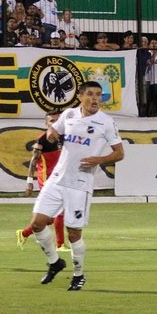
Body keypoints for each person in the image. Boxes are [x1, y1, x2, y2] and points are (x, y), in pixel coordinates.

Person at [25, 82, 124, 291]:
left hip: (80, 183)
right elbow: (54, 129)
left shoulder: (106, 122)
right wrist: (51, 132)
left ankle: (79, 275)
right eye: (90, 94)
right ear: (80, 96)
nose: (95, 99)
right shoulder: (69, 115)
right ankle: (55, 262)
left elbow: (119, 153)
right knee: (36, 224)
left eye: (98, 95)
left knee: (73, 233)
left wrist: (99, 159)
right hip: (57, 179)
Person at [16, 112, 66, 251]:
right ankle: (60, 245)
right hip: (46, 179)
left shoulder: (64, 137)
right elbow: (34, 160)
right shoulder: (42, 140)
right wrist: (29, 181)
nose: (54, 123)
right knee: (60, 212)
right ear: (46, 123)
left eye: (57, 120)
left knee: (48, 219)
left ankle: (24, 233)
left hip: (60, 178)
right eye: (51, 121)